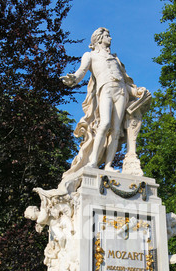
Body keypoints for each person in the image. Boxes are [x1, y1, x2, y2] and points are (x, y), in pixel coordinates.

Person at [59, 27, 149, 193]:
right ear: (99, 38)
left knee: (116, 130)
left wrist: (136, 92)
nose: (111, 38)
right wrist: (72, 79)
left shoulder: (115, 58)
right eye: (107, 35)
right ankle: (93, 161)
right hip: (105, 89)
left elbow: (125, 81)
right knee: (105, 123)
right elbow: (80, 73)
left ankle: (108, 165)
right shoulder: (91, 55)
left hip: (121, 91)